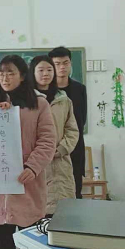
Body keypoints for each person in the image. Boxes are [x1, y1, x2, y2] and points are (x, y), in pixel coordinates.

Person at [0, 55, 56, 249]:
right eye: (1, 74)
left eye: (10, 73)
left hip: (27, 181)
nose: (4, 78)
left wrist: (32, 167)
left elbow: (47, 140)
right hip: (0, 185)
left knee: (29, 239)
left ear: (22, 76)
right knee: (4, 239)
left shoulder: (39, 104)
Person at [30, 56, 79, 217]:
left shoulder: (63, 100)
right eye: (41, 70)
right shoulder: (27, 100)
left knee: (62, 213)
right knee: (36, 211)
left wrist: (61, 149)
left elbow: (72, 130)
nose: (46, 74)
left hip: (60, 161)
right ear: (32, 73)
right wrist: (42, 153)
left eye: (49, 70)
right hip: (36, 162)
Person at [48, 47, 87, 199]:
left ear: (71, 63)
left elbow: (81, 120)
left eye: (66, 63)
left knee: (74, 193)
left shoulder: (79, 89)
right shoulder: (45, 91)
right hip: (51, 150)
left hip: (74, 148)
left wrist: (68, 143)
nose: (62, 67)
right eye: (57, 64)